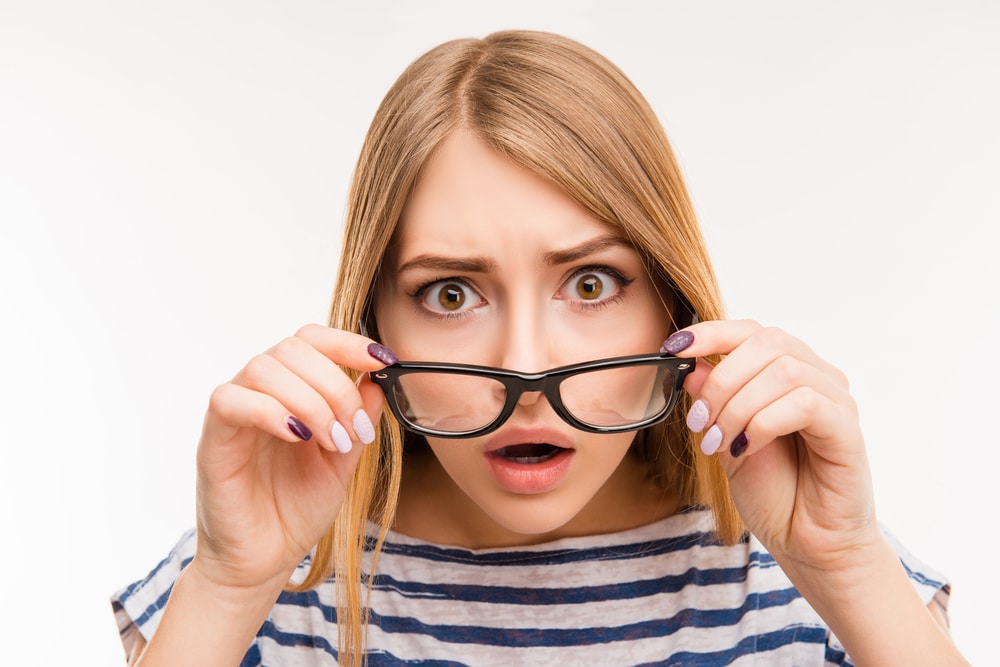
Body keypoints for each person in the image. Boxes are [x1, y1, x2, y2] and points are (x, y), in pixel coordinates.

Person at [111, 30, 967, 666]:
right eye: (451, 294)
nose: (526, 368)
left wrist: (850, 568)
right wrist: (226, 588)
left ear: (670, 302)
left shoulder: (811, 572)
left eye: (590, 285)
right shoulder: (255, 579)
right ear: (374, 327)